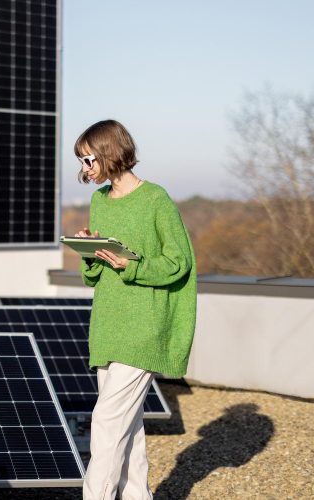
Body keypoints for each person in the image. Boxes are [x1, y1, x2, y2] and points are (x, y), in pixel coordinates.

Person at [73, 119, 197, 500]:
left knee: (107, 421)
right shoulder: (98, 201)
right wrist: (90, 252)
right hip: (108, 324)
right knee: (128, 429)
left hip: (144, 326)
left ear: (109, 153)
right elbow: (93, 277)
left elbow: (179, 262)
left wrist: (134, 266)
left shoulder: (155, 199)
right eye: (80, 161)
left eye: (89, 160)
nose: (84, 169)